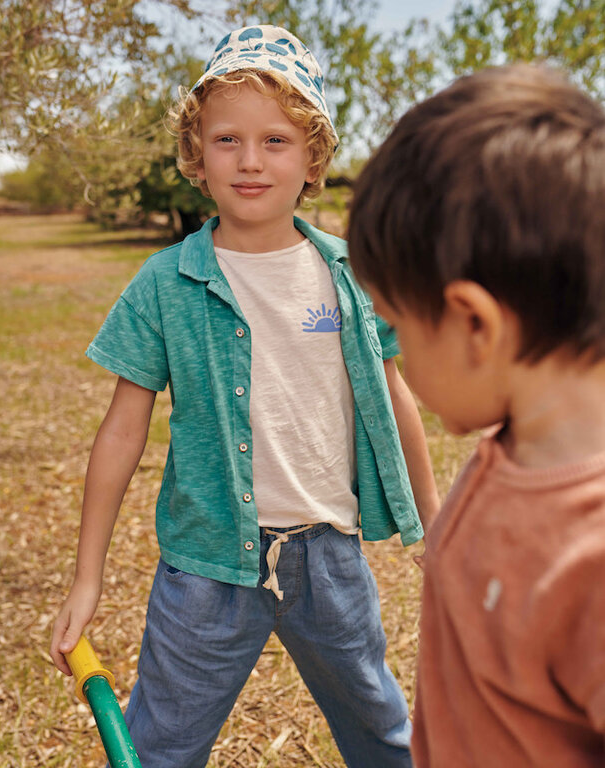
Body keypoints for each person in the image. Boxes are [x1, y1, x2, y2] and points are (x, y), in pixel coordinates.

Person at [50, 24, 440, 768]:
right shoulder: (165, 283)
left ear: (313, 156)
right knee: (158, 749)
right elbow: (121, 433)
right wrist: (87, 576)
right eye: (227, 139)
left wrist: (432, 524)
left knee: (386, 738)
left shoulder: (353, 274)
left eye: (277, 141)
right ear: (197, 154)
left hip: (329, 558)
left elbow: (394, 401)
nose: (251, 160)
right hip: (204, 572)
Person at [348, 62, 605, 767]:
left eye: (395, 323)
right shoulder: (511, 450)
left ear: (474, 325)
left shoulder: (590, 559)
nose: (392, 347)